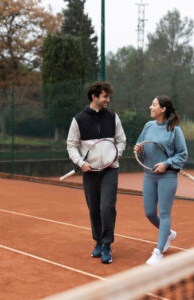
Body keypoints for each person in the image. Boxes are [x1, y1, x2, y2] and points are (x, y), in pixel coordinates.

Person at [66, 81, 126, 264]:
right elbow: (71, 145)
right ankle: (98, 241)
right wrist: (80, 163)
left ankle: (107, 244)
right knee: (94, 209)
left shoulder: (113, 117)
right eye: (105, 96)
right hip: (89, 172)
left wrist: (114, 157)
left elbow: (121, 140)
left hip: (110, 171)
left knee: (107, 207)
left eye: (108, 96)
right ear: (95, 96)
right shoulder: (78, 120)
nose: (108, 100)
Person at [134, 95, 188, 265]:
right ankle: (168, 234)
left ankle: (158, 252)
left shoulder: (175, 130)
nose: (150, 107)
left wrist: (166, 164)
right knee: (149, 212)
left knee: (164, 213)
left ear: (163, 109)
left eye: (154, 105)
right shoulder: (148, 126)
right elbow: (140, 147)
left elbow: (182, 154)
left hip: (167, 177)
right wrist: (138, 149)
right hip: (149, 176)